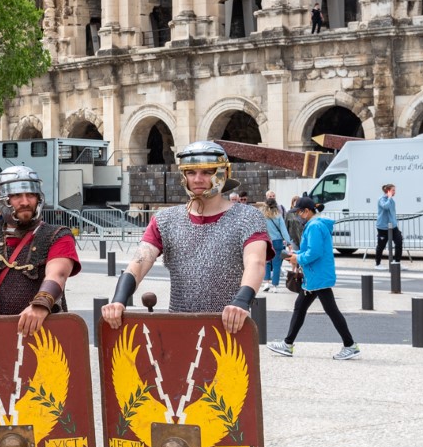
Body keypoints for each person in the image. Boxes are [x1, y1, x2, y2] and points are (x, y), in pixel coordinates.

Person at [100, 141, 268, 334]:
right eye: (191, 172)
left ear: (223, 173)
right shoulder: (165, 219)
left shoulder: (248, 217)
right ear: (183, 176)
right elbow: (139, 262)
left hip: (230, 325)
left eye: (207, 172)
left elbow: (255, 262)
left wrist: (240, 302)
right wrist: (118, 300)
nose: (197, 179)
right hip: (180, 325)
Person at [0, 165, 81, 334]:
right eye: (16, 195)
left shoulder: (58, 235)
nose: (25, 202)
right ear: (2, 199)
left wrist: (41, 304)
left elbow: (57, 274)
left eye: (30, 195)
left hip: (45, 334)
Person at [269, 198, 360, 359]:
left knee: (330, 310)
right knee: (301, 307)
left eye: (298, 212)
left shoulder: (314, 226)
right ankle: (287, 344)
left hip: (317, 276)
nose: (297, 215)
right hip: (316, 275)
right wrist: (297, 255)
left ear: (307, 211)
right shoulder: (316, 224)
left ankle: (350, 345)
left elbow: (314, 252)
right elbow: (313, 251)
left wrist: (298, 258)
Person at [261, 196, 288, 293]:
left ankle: (266, 282)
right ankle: (275, 286)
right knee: (277, 264)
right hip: (277, 241)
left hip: (266, 241)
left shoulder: (262, 216)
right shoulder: (278, 216)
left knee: (267, 262)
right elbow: (284, 230)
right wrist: (288, 242)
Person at [374, 183, 402, 266]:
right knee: (381, 246)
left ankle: (397, 262)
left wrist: (394, 222)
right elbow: (385, 207)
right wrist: (389, 197)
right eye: (393, 190)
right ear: (388, 191)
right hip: (383, 227)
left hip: (393, 226)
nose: (395, 192)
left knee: (399, 242)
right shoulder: (381, 199)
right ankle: (378, 264)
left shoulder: (391, 200)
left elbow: (392, 212)